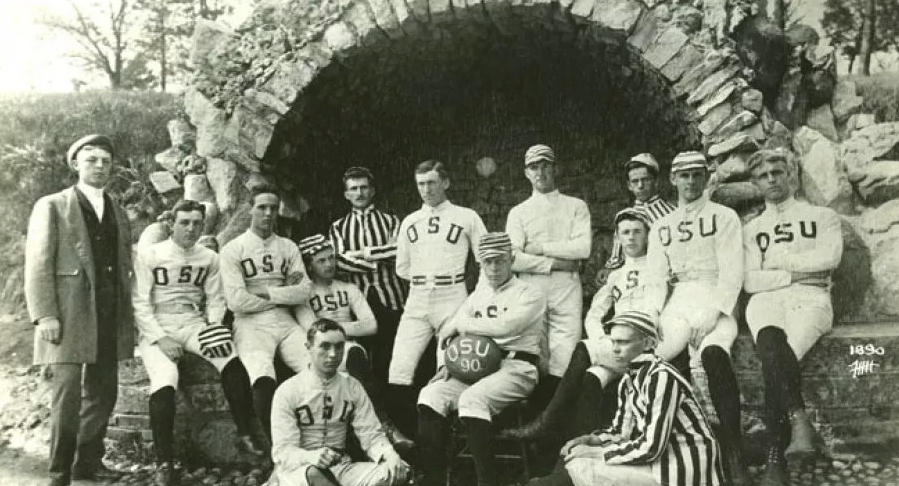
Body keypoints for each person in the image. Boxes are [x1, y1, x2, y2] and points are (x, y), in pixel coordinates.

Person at [24, 134, 133, 486]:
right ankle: (58, 473)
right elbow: (38, 263)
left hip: (107, 313)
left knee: (104, 392)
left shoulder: (117, 210)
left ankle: (87, 464)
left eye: (105, 160)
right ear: (75, 164)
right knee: (67, 395)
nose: (100, 166)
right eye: (91, 160)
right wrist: (45, 315)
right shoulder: (53, 205)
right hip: (67, 314)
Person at [133, 200, 265, 485]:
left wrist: (214, 327)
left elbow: (216, 299)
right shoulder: (150, 254)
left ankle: (244, 433)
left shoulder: (208, 257)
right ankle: (164, 462)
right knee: (166, 378)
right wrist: (160, 338)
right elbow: (139, 303)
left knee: (228, 356)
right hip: (158, 323)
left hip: (193, 322)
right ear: (172, 224)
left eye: (197, 223)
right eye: (184, 222)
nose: (191, 229)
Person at [502, 208, 660, 441]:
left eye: (637, 232)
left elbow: (654, 312)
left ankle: (546, 424)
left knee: (583, 349)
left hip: (642, 346)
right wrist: (602, 339)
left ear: (648, 235)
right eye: (625, 232)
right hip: (616, 348)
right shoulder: (615, 275)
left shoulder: (657, 269)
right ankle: (580, 447)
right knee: (590, 378)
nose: (631, 237)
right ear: (618, 237)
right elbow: (594, 314)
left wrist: (621, 337)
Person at [522, 311, 724, 486]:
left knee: (584, 468)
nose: (615, 349)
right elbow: (622, 432)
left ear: (648, 343)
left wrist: (596, 453)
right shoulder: (630, 378)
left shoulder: (661, 376)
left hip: (682, 471)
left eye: (623, 342)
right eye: (613, 342)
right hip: (658, 465)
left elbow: (652, 447)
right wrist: (592, 440)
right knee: (576, 461)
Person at [645, 150, 747, 484]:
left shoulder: (724, 216)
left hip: (717, 295)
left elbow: (733, 271)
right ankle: (684, 446)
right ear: (673, 179)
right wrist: (651, 316)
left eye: (696, 174)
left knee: (714, 353)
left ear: (705, 177)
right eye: (684, 175)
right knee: (664, 355)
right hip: (681, 298)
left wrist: (714, 312)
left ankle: (734, 453)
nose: (690, 181)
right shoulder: (661, 226)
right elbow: (656, 280)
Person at [742, 149, 842, 486]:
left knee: (779, 360)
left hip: (812, 299)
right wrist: (796, 273)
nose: (771, 179)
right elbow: (750, 280)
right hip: (766, 300)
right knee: (770, 341)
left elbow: (829, 259)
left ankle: (775, 458)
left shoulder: (823, 216)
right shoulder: (752, 228)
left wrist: (777, 265)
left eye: (777, 172)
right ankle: (798, 423)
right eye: (763, 176)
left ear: (791, 175)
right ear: (756, 183)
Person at [417, 232, 546, 486]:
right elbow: (446, 333)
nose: (494, 268)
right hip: (474, 368)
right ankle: (433, 480)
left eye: (500, 260)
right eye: (488, 262)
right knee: (431, 395)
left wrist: (463, 323)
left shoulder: (530, 293)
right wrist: (445, 365)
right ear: (481, 264)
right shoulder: (478, 295)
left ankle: (487, 482)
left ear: (512, 259)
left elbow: (507, 326)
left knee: (471, 399)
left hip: (516, 367)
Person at [388, 160, 487, 429]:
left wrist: (474, 298)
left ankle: (444, 443)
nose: (426, 189)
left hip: (452, 296)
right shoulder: (410, 221)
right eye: (421, 184)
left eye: (431, 182)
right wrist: (425, 279)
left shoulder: (467, 216)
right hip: (418, 297)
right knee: (399, 369)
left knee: (448, 370)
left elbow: (485, 261)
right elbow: (402, 268)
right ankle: (410, 444)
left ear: (446, 183)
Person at [295, 234, 414, 450]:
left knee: (356, 356)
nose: (329, 264)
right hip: (318, 352)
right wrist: (346, 330)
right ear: (309, 265)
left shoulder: (348, 288)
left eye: (331, 258)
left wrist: (333, 329)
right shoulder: (303, 293)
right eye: (321, 261)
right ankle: (381, 428)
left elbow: (371, 325)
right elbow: (311, 330)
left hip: (348, 350)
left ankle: (384, 426)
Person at [220, 184, 314, 442]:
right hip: (250, 325)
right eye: (262, 207)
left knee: (316, 367)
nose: (268, 213)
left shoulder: (288, 247)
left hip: (285, 321)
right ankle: (279, 449)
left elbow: (304, 291)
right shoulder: (233, 249)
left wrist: (266, 293)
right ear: (250, 209)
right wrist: (283, 292)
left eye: (273, 208)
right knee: (262, 376)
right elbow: (237, 301)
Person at [267, 319, 410, 486]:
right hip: (299, 471)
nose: (333, 354)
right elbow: (283, 452)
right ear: (308, 348)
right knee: (314, 475)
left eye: (339, 346)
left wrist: (390, 456)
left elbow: (371, 435)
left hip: (341, 467)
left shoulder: (352, 386)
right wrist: (311, 457)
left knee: (398, 472)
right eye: (325, 346)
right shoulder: (288, 390)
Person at [505, 144, 591, 404]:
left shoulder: (576, 206)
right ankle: (535, 427)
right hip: (532, 288)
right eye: (534, 167)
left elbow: (582, 248)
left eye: (545, 165)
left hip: (566, 288)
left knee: (564, 356)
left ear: (555, 168)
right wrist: (556, 263)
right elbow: (513, 259)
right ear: (526, 173)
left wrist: (540, 248)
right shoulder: (518, 212)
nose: (540, 172)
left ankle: (556, 428)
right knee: (534, 356)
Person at [329, 167, 407, 385]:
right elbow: (338, 262)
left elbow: (399, 253)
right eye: (353, 189)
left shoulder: (391, 221)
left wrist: (363, 254)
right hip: (357, 302)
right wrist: (379, 258)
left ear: (372, 191)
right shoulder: (338, 227)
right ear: (346, 194)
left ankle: (392, 407)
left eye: (364, 187)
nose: (359, 193)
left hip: (391, 297)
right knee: (360, 355)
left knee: (391, 352)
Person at [599, 153, 676, 277]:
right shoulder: (625, 217)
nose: (640, 186)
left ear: (656, 181)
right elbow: (617, 258)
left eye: (645, 180)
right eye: (635, 181)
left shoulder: (672, 213)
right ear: (629, 185)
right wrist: (608, 270)